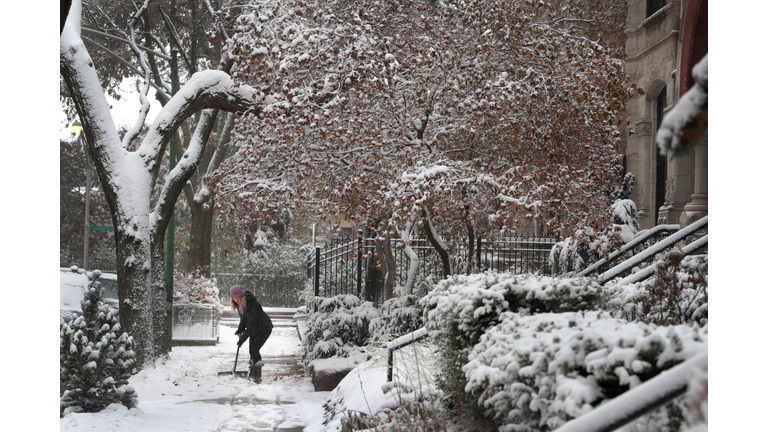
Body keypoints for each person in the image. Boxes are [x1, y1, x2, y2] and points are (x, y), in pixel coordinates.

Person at [230, 285, 273, 383]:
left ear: (242, 296)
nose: (236, 299)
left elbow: (252, 324)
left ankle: (256, 375)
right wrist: (240, 329)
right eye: (234, 297)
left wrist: (243, 338)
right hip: (255, 328)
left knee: (255, 349)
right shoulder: (239, 304)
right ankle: (253, 373)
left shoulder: (252, 304)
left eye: (238, 296)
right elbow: (244, 318)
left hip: (264, 328)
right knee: (252, 350)